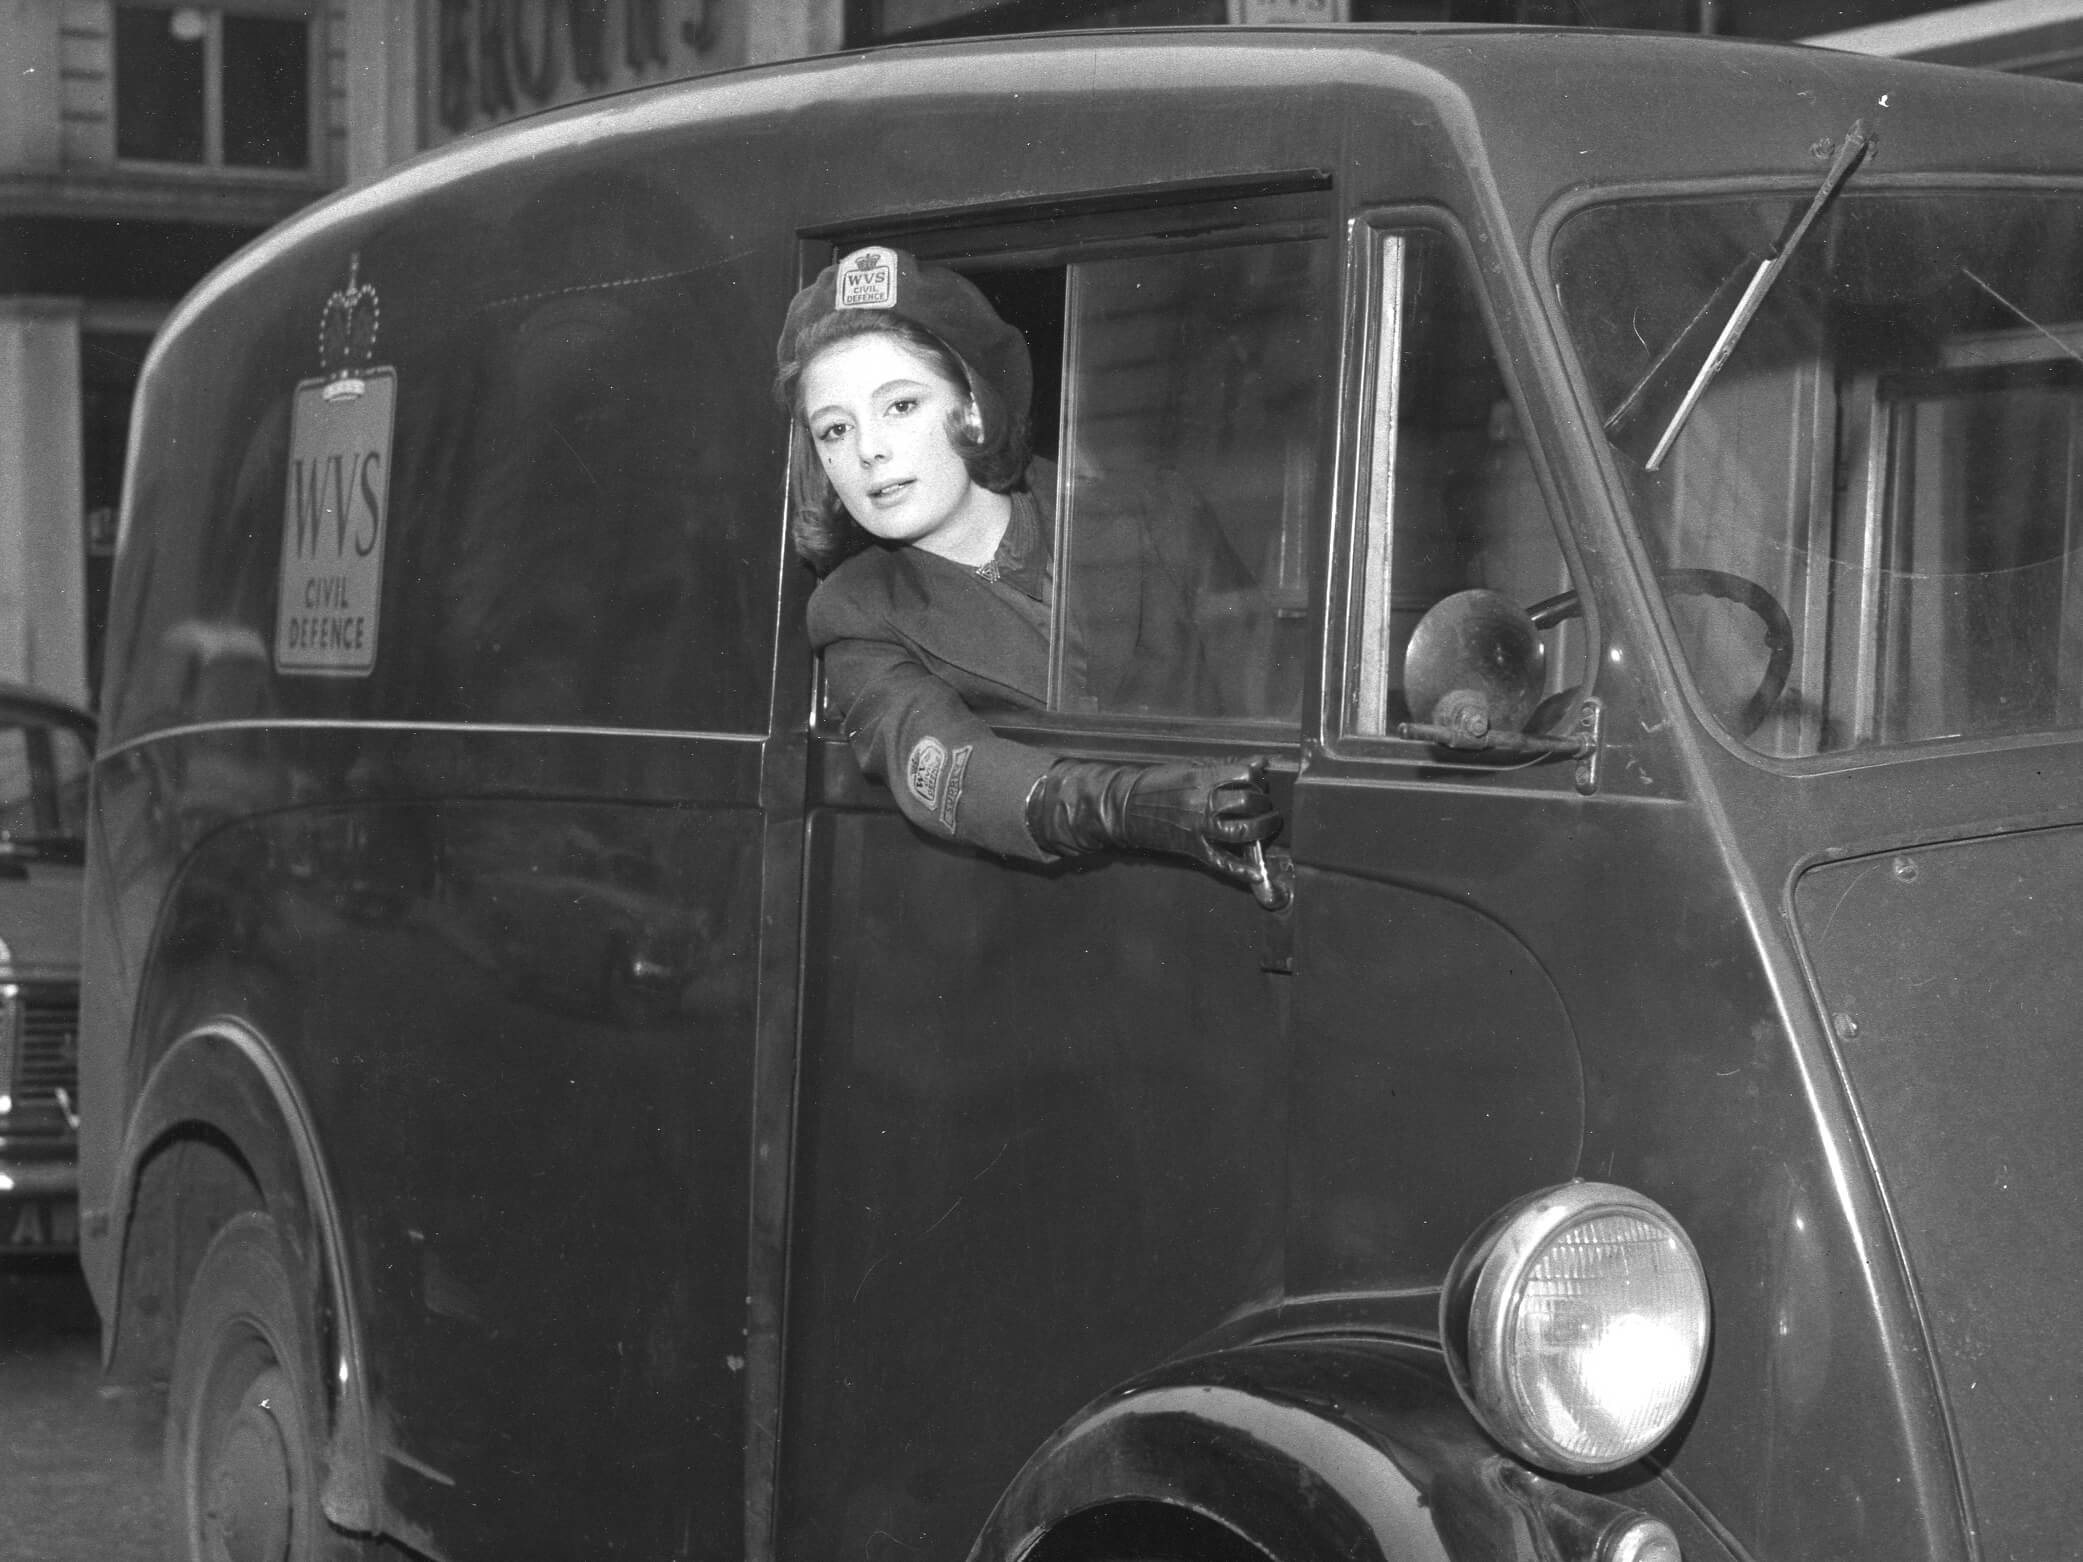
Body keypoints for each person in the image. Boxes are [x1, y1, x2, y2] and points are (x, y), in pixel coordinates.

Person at [774, 245, 1281, 884]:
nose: (869, 451)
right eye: (835, 431)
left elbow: (1271, 701)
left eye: (901, 405)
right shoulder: (856, 613)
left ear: (976, 407)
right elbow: (946, 770)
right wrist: (1124, 803)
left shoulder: (1156, 515)